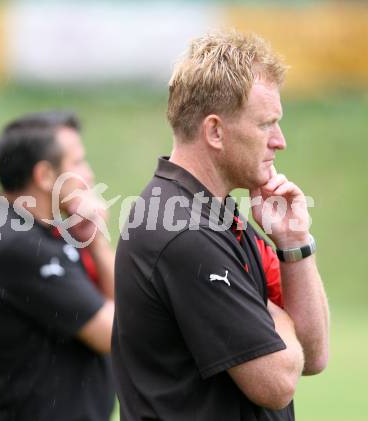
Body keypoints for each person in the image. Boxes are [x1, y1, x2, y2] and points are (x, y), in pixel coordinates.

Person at [112, 31, 329, 420]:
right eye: (266, 124)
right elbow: (277, 383)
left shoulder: (220, 215)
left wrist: (294, 243)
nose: (280, 141)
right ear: (215, 131)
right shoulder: (183, 233)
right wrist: (277, 319)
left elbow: (313, 356)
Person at [0, 111, 115, 421]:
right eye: (77, 163)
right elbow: (115, 333)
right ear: (44, 176)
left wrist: (95, 240)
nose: (89, 174)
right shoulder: (18, 245)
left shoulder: (34, 231)